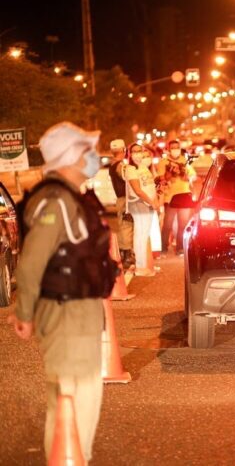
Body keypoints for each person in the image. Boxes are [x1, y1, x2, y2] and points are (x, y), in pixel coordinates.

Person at [8, 122, 117, 462]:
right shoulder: (54, 201)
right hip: (66, 313)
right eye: (85, 151)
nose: (92, 157)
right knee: (74, 398)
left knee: (79, 396)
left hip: (79, 311)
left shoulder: (69, 197)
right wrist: (24, 313)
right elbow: (32, 262)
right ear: (69, 156)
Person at [126, 144, 160, 276]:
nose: (137, 154)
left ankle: (146, 264)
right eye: (134, 152)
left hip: (148, 203)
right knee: (140, 235)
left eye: (139, 151)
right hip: (139, 203)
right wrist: (151, 202)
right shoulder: (130, 169)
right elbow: (138, 190)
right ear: (129, 154)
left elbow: (150, 186)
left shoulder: (143, 167)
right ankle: (140, 267)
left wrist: (155, 201)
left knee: (144, 235)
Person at [157, 140, 195, 255]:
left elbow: (192, 176)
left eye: (177, 147)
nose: (175, 150)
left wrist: (186, 175)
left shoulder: (185, 161)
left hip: (184, 195)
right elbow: (161, 179)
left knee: (183, 224)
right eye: (172, 147)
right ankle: (163, 247)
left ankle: (180, 248)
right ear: (168, 149)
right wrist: (169, 174)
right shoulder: (163, 162)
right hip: (170, 197)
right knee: (167, 224)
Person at [108, 138, 134, 268]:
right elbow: (129, 181)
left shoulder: (113, 165)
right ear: (124, 150)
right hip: (125, 200)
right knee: (126, 226)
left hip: (120, 199)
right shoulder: (120, 166)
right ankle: (126, 255)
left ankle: (126, 254)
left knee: (123, 225)